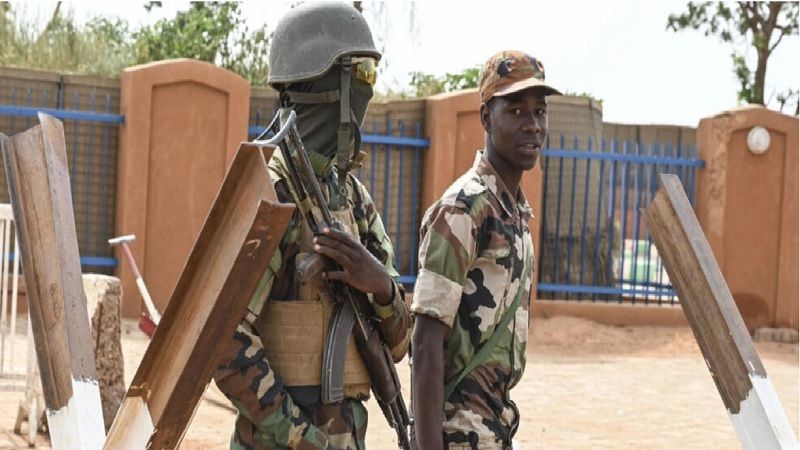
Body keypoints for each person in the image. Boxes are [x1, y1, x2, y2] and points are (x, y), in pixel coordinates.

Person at [213, 3, 410, 450]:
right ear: (324, 83)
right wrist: (303, 439)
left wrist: (380, 287)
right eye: (359, 73)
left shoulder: (354, 201)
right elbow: (224, 343)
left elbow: (398, 344)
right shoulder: (269, 195)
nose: (368, 90)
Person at [410, 50, 561, 450]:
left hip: (497, 428)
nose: (532, 126)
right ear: (485, 119)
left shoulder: (513, 212)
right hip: (456, 434)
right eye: (516, 111)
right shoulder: (463, 210)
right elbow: (425, 344)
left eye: (539, 112)